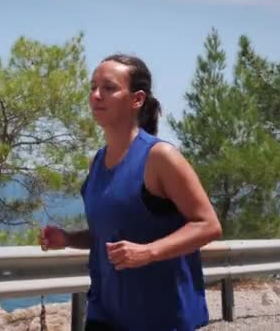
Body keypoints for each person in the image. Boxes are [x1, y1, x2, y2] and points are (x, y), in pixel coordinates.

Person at [40, 54, 222, 331]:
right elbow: (111, 235)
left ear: (137, 99)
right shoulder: (97, 162)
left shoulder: (160, 157)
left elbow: (208, 225)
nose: (96, 95)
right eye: (93, 87)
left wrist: (149, 252)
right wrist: (67, 238)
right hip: (105, 315)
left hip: (162, 317)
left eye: (109, 88)